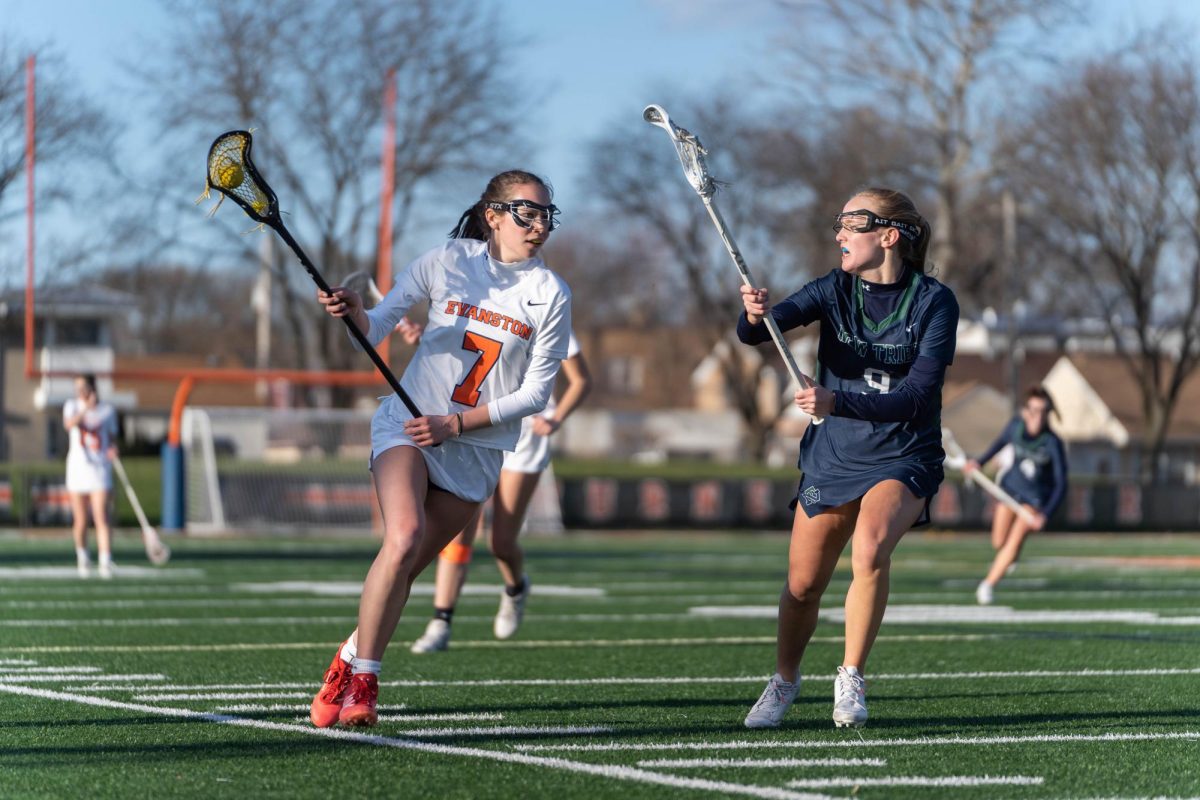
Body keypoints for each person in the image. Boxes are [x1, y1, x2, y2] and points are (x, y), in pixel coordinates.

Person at [307, 170, 571, 729]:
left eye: (548, 213)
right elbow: (375, 328)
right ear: (494, 214)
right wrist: (353, 311)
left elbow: (535, 394)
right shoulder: (448, 260)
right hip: (406, 425)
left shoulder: (550, 294)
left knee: (405, 567)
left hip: (474, 450)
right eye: (528, 211)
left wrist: (456, 425)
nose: (541, 223)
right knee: (401, 539)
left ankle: (348, 658)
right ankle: (367, 684)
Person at [737, 188, 958, 730]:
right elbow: (754, 335)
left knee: (870, 549)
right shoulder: (832, 289)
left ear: (889, 236)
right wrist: (752, 316)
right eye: (838, 223)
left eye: (851, 224)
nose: (838, 234)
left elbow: (915, 399)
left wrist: (836, 400)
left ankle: (851, 676)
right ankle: (785, 678)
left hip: (903, 451)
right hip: (834, 454)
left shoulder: (935, 302)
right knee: (804, 585)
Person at [410, 333, 590, 653]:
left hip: (524, 436)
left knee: (501, 543)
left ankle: (515, 588)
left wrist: (556, 418)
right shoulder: (487, 302)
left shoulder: (551, 312)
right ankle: (441, 621)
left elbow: (581, 380)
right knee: (458, 532)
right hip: (478, 427)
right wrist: (422, 339)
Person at [966, 387, 1068, 605]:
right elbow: (998, 444)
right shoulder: (1015, 427)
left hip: (1034, 500)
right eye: (1033, 410)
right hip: (1010, 490)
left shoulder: (1053, 443)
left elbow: (1061, 483)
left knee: (1015, 539)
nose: (1037, 417)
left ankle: (988, 585)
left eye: (1043, 411)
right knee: (998, 542)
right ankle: (1009, 556)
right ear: (1025, 411)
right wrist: (979, 462)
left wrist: (1046, 515)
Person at [63, 374, 119, 579]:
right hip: (78, 469)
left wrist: (114, 448)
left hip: (100, 469)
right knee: (80, 520)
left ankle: (105, 560)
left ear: (92, 387)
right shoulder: (71, 406)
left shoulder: (107, 410)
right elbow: (70, 425)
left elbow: (112, 438)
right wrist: (86, 408)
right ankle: (83, 557)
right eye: (77, 387)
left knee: (101, 516)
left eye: (83, 387)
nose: (79, 391)